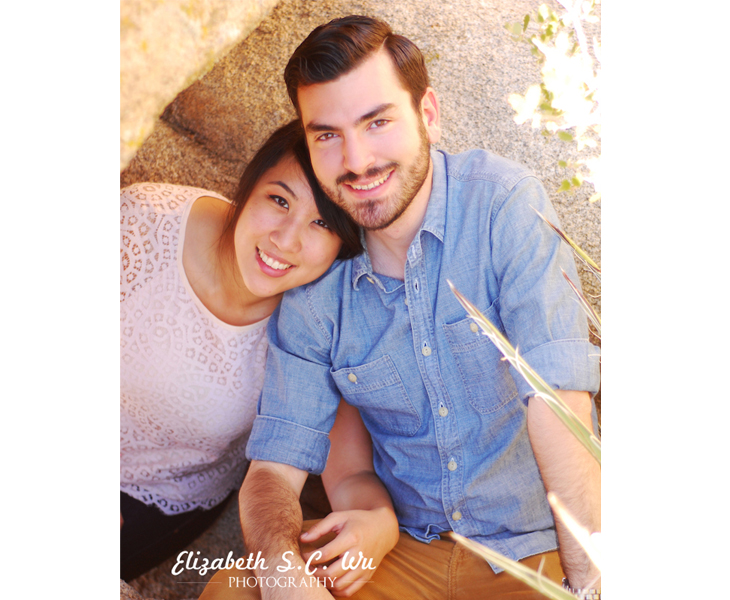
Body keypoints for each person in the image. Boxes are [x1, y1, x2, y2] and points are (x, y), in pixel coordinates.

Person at [200, 15, 601, 600]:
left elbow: (559, 400)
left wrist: (592, 577)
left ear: (428, 115)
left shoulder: (501, 206)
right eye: (327, 135)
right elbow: (272, 472)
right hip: (405, 548)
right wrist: (285, 576)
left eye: (377, 121)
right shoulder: (317, 285)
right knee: (238, 588)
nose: (356, 160)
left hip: (534, 548)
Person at [120, 120, 399, 584]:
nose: (285, 240)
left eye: (322, 223)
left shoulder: (315, 331)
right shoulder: (143, 221)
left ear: (343, 247)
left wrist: (379, 522)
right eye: (279, 200)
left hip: (154, 497)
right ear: (248, 187)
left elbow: (349, 476)